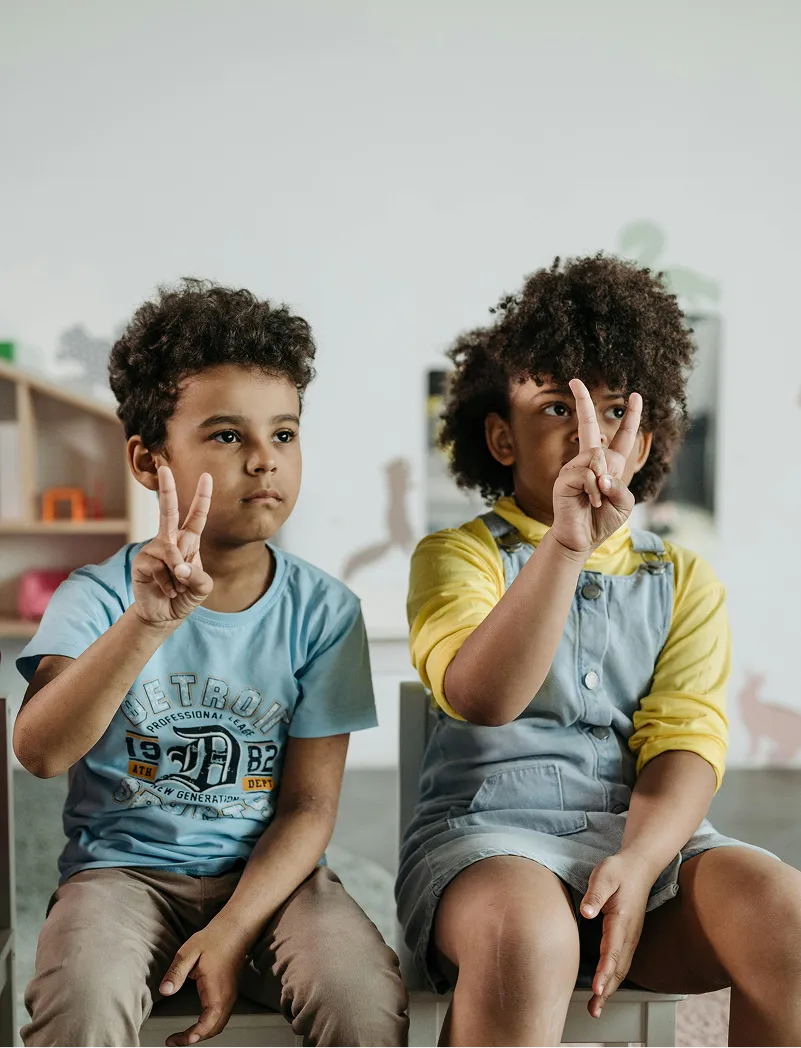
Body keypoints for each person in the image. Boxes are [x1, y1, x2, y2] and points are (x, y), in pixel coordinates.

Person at [396, 255, 801, 1048]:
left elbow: (683, 741)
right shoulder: (457, 557)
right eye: (556, 407)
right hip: (487, 847)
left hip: (641, 843)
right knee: (527, 940)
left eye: (614, 412)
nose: (589, 438)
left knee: (785, 917)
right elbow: (483, 696)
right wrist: (564, 546)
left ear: (643, 441)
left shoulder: (681, 578)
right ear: (499, 437)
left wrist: (644, 860)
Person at [15, 279, 408, 1048]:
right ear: (148, 458)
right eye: (227, 436)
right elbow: (40, 750)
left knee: (361, 996)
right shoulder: (93, 598)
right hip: (119, 876)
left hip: (274, 879)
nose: (264, 461)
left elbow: (306, 810)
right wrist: (146, 622)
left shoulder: (324, 612)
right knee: (82, 999)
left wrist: (230, 931)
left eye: (284, 435)